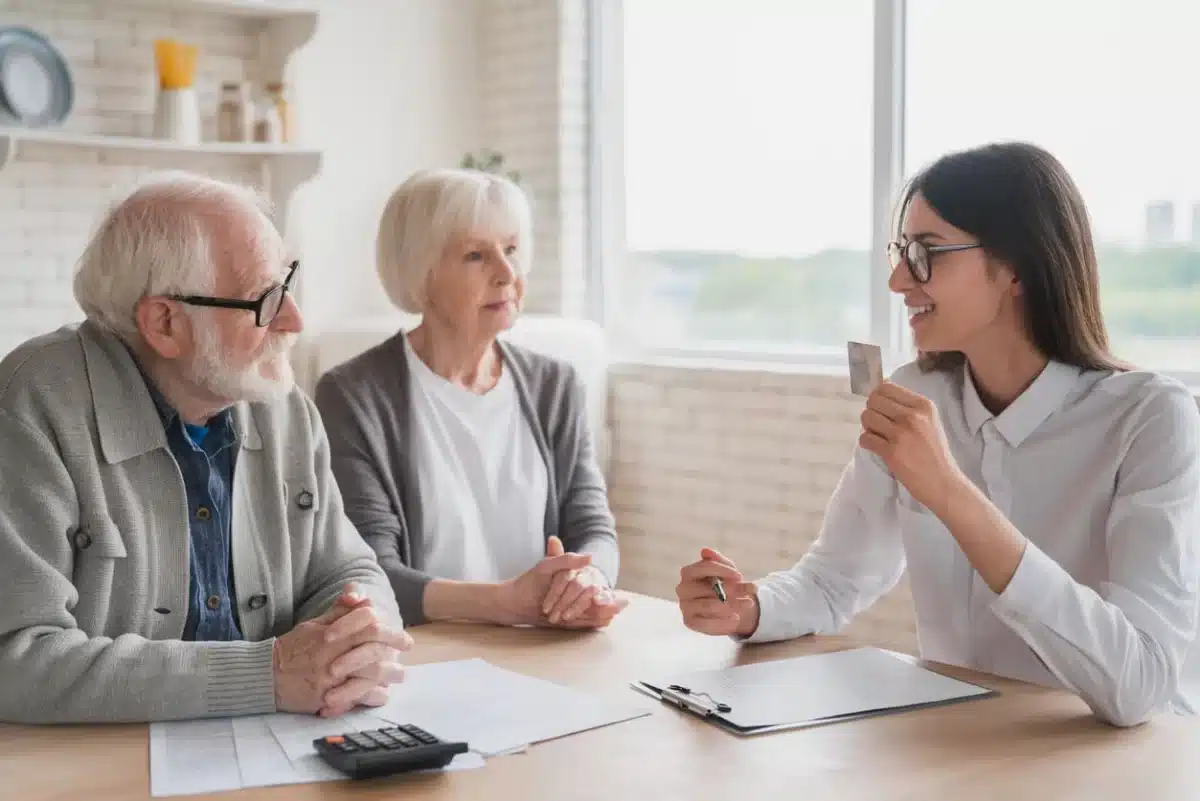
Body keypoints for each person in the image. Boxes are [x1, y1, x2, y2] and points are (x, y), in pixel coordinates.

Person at [676, 142, 1200, 728]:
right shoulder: (916, 396)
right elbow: (833, 580)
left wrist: (950, 492)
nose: (900, 279)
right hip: (961, 748)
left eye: (926, 253)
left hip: (1126, 763)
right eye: (901, 251)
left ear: (1016, 268)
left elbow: (1141, 688)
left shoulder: (1153, 419)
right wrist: (751, 608)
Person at [0, 172, 410, 724]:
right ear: (165, 323)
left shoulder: (279, 401)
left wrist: (362, 638)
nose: (294, 319)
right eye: (265, 299)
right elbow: (16, 658)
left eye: (286, 285)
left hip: (279, 748)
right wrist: (266, 676)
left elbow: (344, 569)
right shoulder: (33, 403)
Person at [315, 168, 624, 629]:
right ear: (422, 274)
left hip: (545, 647)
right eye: (476, 255)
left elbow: (593, 528)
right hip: (425, 656)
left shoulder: (554, 386)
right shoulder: (354, 396)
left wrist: (588, 580)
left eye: (513, 250)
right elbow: (369, 571)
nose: (507, 274)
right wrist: (503, 602)